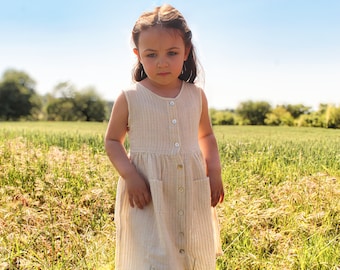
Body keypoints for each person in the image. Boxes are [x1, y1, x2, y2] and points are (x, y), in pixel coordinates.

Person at [105, 4, 224, 269]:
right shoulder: (130, 97)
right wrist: (130, 176)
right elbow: (112, 141)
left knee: (190, 249)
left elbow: (206, 136)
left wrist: (214, 171)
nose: (162, 62)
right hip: (147, 190)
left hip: (190, 188)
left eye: (172, 53)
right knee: (152, 253)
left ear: (186, 52)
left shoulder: (196, 96)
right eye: (151, 55)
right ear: (138, 55)